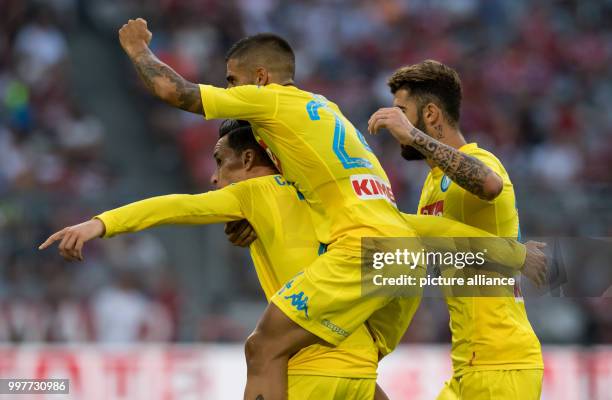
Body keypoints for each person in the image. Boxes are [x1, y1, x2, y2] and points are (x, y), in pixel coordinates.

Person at [40, 119, 546, 399]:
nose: (215, 178)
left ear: (247, 159)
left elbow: (175, 206)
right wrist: (512, 252)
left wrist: (98, 223)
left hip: (304, 373)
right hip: (358, 372)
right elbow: (424, 234)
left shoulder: (256, 194)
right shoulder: (340, 201)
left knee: (260, 348)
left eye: (221, 164)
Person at [116, 18, 425, 399]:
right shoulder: (325, 112)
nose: (230, 89)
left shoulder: (270, 100)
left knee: (263, 347)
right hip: (403, 254)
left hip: (363, 248)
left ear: (260, 76)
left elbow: (175, 91)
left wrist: (137, 49)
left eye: (231, 80)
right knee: (348, 359)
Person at [368, 60, 544, 400]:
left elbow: (489, 185)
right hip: (467, 367)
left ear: (431, 115)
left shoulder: (483, 160)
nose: (394, 123)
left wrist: (412, 135)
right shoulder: (431, 185)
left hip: (503, 367)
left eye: (402, 112)